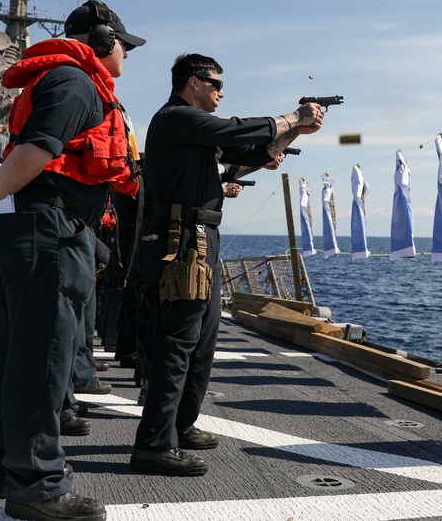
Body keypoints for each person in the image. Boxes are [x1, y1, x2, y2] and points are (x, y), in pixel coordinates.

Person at [0, 0, 144, 521]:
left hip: (31, 228)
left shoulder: (57, 80)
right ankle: (38, 486)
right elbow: (35, 153)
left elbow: (23, 156)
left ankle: (10, 466)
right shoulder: (76, 81)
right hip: (49, 232)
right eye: (123, 46)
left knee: (22, 357)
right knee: (44, 364)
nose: (126, 56)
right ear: (104, 40)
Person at [130, 53, 324, 477]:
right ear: (192, 83)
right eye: (215, 83)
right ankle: (154, 443)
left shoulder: (194, 133)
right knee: (177, 343)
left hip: (202, 242)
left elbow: (245, 151)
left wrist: (290, 136)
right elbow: (233, 130)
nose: (221, 91)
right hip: (180, 244)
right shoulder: (176, 117)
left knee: (201, 341)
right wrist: (294, 116)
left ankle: (180, 425)